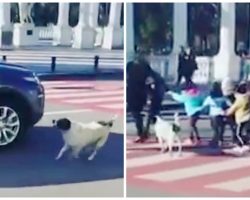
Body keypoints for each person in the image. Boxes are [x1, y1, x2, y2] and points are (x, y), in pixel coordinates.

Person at [127, 55, 151, 143]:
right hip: (141, 93)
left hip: (132, 93)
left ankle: (141, 134)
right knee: (137, 114)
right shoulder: (145, 66)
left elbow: (127, 78)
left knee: (136, 115)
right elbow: (149, 79)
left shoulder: (129, 65)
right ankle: (143, 133)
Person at [201, 82, 233, 147]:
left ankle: (215, 141)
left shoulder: (210, 98)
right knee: (221, 128)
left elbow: (204, 106)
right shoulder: (223, 97)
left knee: (215, 129)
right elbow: (230, 105)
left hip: (213, 115)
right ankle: (220, 140)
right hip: (222, 114)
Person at [226, 82, 250, 154]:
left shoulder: (240, 100)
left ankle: (245, 145)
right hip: (248, 118)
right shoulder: (247, 98)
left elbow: (232, 109)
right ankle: (241, 145)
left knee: (238, 134)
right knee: (246, 133)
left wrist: (226, 112)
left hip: (242, 119)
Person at [144, 68, 168, 136]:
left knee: (150, 115)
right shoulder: (157, 76)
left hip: (154, 98)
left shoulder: (150, 77)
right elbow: (165, 87)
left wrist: (148, 95)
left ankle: (146, 131)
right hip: (159, 97)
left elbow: (149, 87)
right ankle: (158, 131)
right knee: (156, 114)